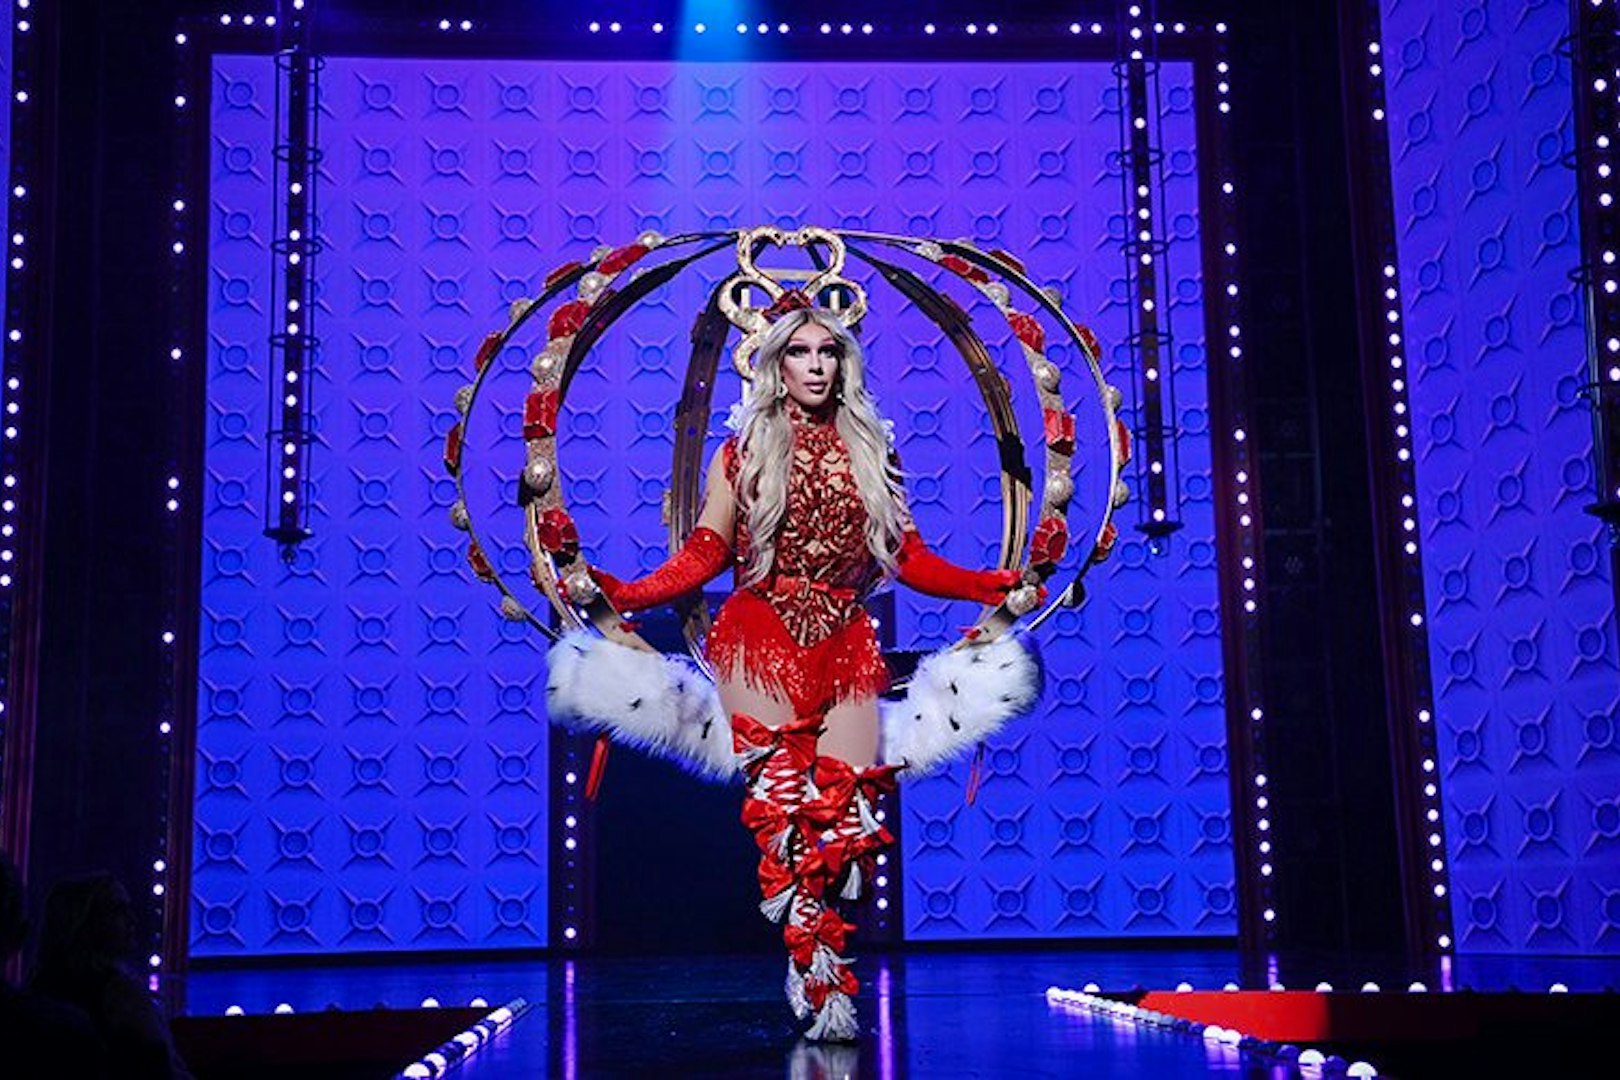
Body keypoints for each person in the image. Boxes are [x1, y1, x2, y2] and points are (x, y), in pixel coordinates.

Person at [591, 304, 1025, 1041]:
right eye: (801, 352)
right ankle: (820, 980)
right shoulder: (744, 448)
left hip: (846, 638)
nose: (818, 364)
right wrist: (630, 594)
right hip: (760, 631)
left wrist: (988, 585)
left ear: (845, 364)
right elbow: (706, 551)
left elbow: (909, 558)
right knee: (787, 814)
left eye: (830, 352)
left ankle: (823, 957)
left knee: (847, 817)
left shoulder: (871, 449)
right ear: (776, 365)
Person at [30, 873, 192, 1079]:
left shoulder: (40, 986)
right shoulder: (119, 994)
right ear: (84, 922)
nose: (131, 920)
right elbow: (160, 1066)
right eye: (117, 910)